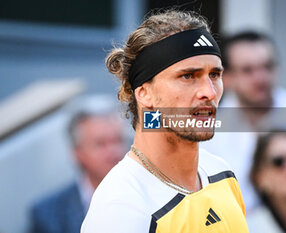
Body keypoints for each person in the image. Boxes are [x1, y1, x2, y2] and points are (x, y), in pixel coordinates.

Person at [81, 10, 249, 233]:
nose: (209, 92)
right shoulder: (120, 208)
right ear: (144, 94)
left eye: (214, 75)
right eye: (188, 76)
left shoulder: (221, 172)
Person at [201, 31, 286, 212]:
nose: (260, 78)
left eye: (267, 67)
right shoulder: (207, 135)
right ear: (227, 78)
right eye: (247, 70)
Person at [29, 96, 128, 233]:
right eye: (100, 144)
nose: (113, 151)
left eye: (118, 141)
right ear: (77, 153)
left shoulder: (154, 193)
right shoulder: (50, 214)